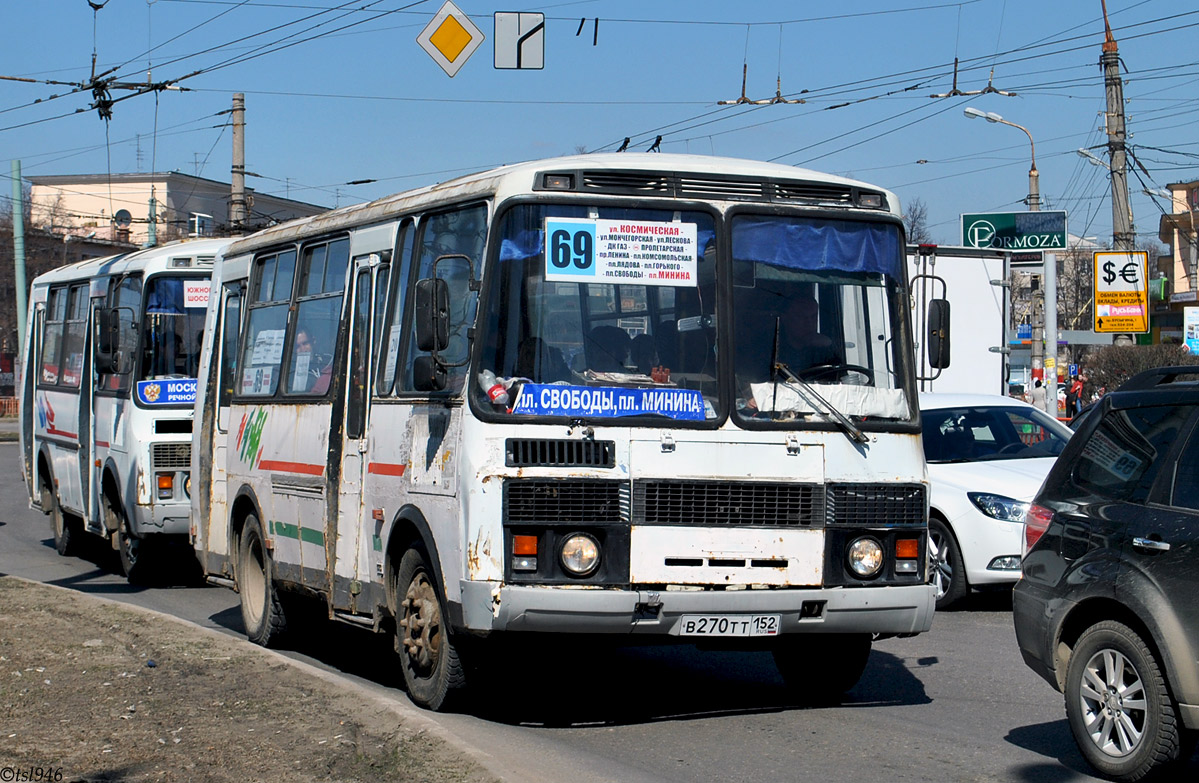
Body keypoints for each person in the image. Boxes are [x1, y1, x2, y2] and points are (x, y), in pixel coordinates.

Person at [776, 296, 839, 377]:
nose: (809, 323)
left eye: (813, 317)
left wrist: (830, 347)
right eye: (801, 317)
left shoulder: (824, 352)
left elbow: (841, 380)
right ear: (785, 318)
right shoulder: (773, 350)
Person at [293, 327, 331, 394]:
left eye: (305, 343)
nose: (303, 350)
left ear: (313, 341)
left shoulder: (328, 361)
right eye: (298, 347)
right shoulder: (292, 373)